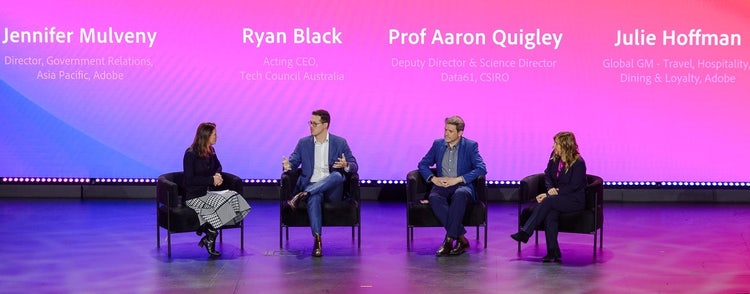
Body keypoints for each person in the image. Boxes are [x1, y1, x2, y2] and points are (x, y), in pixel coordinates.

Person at [283, 109, 358, 257]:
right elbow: (292, 162)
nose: (311, 126)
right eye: (310, 123)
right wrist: (288, 166)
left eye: (314, 123)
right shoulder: (303, 143)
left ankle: (303, 194)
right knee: (314, 197)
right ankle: (317, 240)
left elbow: (355, 166)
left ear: (325, 125)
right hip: (311, 184)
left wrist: (346, 165)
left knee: (337, 176)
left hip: (332, 190)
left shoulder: (339, 142)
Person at [511, 131, 586, 263]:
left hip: (574, 200)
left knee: (549, 201)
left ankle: (526, 232)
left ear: (565, 145)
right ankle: (553, 251)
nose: (553, 146)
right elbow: (547, 175)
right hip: (557, 198)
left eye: (556, 143)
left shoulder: (578, 163)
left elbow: (573, 187)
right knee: (550, 212)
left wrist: (548, 194)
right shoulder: (554, 156)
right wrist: (550, 188)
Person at [418, 116, 487, 256]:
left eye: (450, 131)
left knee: (460, 194)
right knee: (434, 197)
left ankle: (449, 240)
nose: (445, 134)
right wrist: (433, 179)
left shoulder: (470, 146)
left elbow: (481, 168)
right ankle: (461, 238)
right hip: (442, 184)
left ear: (460, 133)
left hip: (462, 185)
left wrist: (458, 179)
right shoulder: (438, 144)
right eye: (445, 130)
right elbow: (423, 164)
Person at [183, 122, 251, 257]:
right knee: (223, 203)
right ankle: (209, 231)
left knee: (234, 197)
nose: (216, 137)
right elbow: (190, 180)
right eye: (214, 134)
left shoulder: (211, 151)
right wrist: (211, 180)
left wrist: (217, 175)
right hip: (194, 196)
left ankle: (209, 231)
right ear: (206, 136)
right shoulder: (190, 154)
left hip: (206, 193)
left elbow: (218, 166)